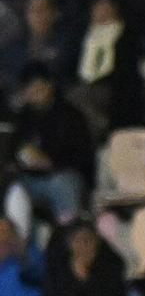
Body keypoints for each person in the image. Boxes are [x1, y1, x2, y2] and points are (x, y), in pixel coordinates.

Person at [9, 65, 93, 223]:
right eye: (29, 87)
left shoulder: (70, 115)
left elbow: (83, 157)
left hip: (63, 177)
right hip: (29, 179)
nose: (34, 90)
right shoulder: (22, 117)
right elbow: (12, 149)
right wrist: (17, 162)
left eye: (38, 85)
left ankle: (68, 233)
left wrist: (51, 162)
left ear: (50, 85)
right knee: (12, 188)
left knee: (62, 184)